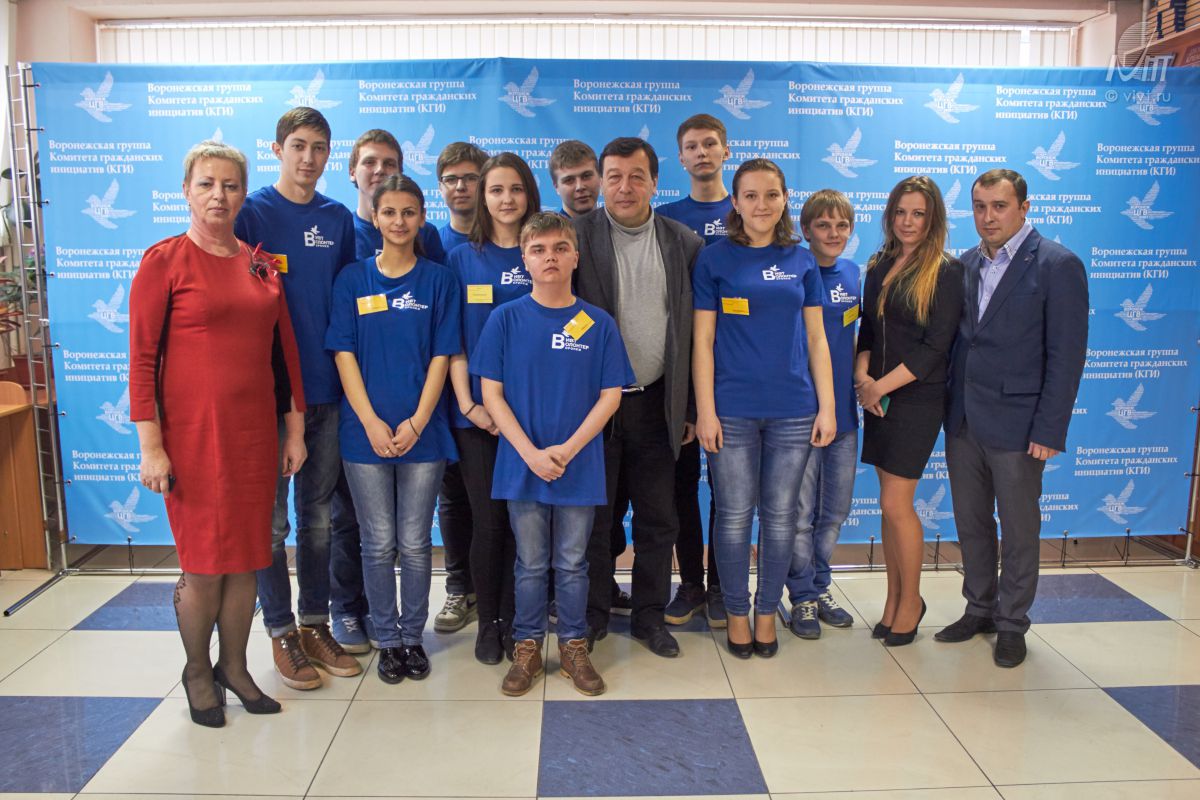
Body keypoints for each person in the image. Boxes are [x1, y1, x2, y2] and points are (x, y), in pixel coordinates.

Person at [130, 140, 305, 727]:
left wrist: (294, 430)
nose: (219, 195)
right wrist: (151, 446)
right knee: (205, 564)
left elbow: (285, 357)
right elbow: (142, 361)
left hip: (254, 436)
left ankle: (235, 666)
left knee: (248, 558)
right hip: (192, 439)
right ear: (186, 190)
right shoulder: (164, 261)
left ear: (243, 193)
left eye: (230, 185)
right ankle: (197, 671)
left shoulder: (261, 264)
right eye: (206, 183)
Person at [472, 212, 635, 697]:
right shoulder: (505, 319)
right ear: (524, 259)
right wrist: (530, 454)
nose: (550, 257)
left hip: (577, 464)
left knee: (573, 562)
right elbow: (491, 394)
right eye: (539, 250)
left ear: (575, 257)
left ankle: (573, 645)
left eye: (560, 248)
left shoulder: (597, 323)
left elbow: (611, 395)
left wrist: (566, 450)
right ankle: (526, 645)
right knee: (529, 562)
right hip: (522, 464)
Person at [939, 168, 1088, 667]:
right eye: (980, 206)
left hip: (1021, 427)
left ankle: (1012, 622)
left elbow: (1067, 355)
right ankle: (979, 608)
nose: (988, 217)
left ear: (1024, 208)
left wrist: (1050, 428)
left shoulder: (1057, 265)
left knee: (1019, 529)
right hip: (964, 420)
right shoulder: (964, 264)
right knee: (971, 522)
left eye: (999, 206)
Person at [235, 107, 362, 689]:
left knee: (318, 522)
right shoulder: (251, 213)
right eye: (299, 146)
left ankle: (315, 625)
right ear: (277, 150)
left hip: (326, 394)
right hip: (269, 398)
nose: (309, 158)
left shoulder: (337, 219)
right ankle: (281, 631)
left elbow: (345, 303)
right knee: (270, 527)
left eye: (319, 148)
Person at [693, 158, 836, 659]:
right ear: (735, 202)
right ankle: (736, 612)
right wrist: (705, 410)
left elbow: (817, 339)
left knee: (780, 519)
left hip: (794, 409)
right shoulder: (714, 259)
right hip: (731, 409)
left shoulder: (802, 260)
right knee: (734, 517)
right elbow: (702, 341)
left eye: (771, 195)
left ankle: (767, 611)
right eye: (750, 196)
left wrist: (827, 407)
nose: (761, 205)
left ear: (784, 199)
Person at [325, 174, 462, 684]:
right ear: (375, 217)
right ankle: (386, 639)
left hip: (424, 433)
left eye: (409, 212)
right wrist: (372, 422)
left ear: (422, 218)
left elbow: (443, 355)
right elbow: (343, 353)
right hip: (365, 435)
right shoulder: (352, 280)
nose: (399, 221)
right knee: (378, 543)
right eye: (389, 212)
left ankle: (411, 637)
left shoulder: (439, 280)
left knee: (415, 542)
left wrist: (418, 421)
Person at [573, 136, 703, 658]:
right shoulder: (576, 237)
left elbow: (694, 335)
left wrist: (688, 408)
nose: (624, 187)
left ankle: (650, 616)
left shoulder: (683, 242)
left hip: (656, 403)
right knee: (595, 520)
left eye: (636, 177)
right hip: (592, 406)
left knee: (658, 519)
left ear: (654, 182)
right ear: (601, 182)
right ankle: (594, 614)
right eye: (614, 177)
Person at [855, 175, 964, 648]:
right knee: (888, 504)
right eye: (901, 212)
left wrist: (879, 386)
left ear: (933, 218)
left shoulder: (947, 271)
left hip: (916, 399)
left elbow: (934, 349)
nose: (907, 222)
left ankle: (912, 601)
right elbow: (867, 331)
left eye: (918, 213)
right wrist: (863, 378)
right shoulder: (879, 263)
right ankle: (894, 598)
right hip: (877, 398)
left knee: (897, 504)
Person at [446, 152, 541, 664]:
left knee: (524, 523)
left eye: (516, 189)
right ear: (483, 198)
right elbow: (453, 341)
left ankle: (518, 618)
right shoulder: (462, 258)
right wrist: (469, 403)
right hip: (478, 418)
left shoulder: (543, 251)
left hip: (535, 417)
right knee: (488, 522)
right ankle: (490, 623)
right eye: (496, 190)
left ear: (530, 194)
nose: (507, 199)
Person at [657, 113, 733, 629]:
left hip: (738, 376)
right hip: (681, 380)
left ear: (726, 151)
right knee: (681, 489)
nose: (702, 153)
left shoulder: (748, 211)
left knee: (731, 494)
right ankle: (690, 585)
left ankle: (725, 586)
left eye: (710, 144)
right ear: (680, 157)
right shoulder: (666, 219)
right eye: (692, 146)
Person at [783, 189, 861, 639]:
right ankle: (801, 596)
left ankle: (820, 585)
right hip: (800, 415)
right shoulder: (794, 271)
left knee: (834, 511)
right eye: (824, 225)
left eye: (842, 225)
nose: (833, 233)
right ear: (806, 229)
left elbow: (852, 339)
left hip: (844, 415)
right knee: (799, 514)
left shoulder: (853, 274)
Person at [349, 129, 447, 264]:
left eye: (389, 164)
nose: (380, 170)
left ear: (400, 174)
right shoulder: (343, 231)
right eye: (370, 162)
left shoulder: (425, 232)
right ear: (352, 172)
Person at [438, 141, 489, 254]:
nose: (460, 187)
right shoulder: (432, 246)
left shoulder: (506, 242)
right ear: (440, 188)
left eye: (471, 178)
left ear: (485, 184)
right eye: (451, 179)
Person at [549, 140, 602, 219]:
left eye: (586, 176)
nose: (580, 187)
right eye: (569, 180)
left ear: (600, 177)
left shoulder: (617, 224)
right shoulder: (550, 227)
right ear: (556, 187)